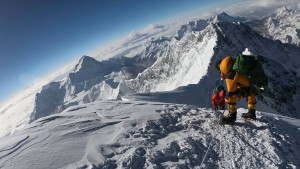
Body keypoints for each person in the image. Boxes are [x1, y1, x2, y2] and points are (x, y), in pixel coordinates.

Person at [215, 56, 257, 124]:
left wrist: (230, 96)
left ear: (220, 69)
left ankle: (231, 116)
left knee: (230, 96)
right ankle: (251, 112)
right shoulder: (235, 65)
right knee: (251, 91)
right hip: (253, 81)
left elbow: (232, 93)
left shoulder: (229, 75)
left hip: (247, 84)